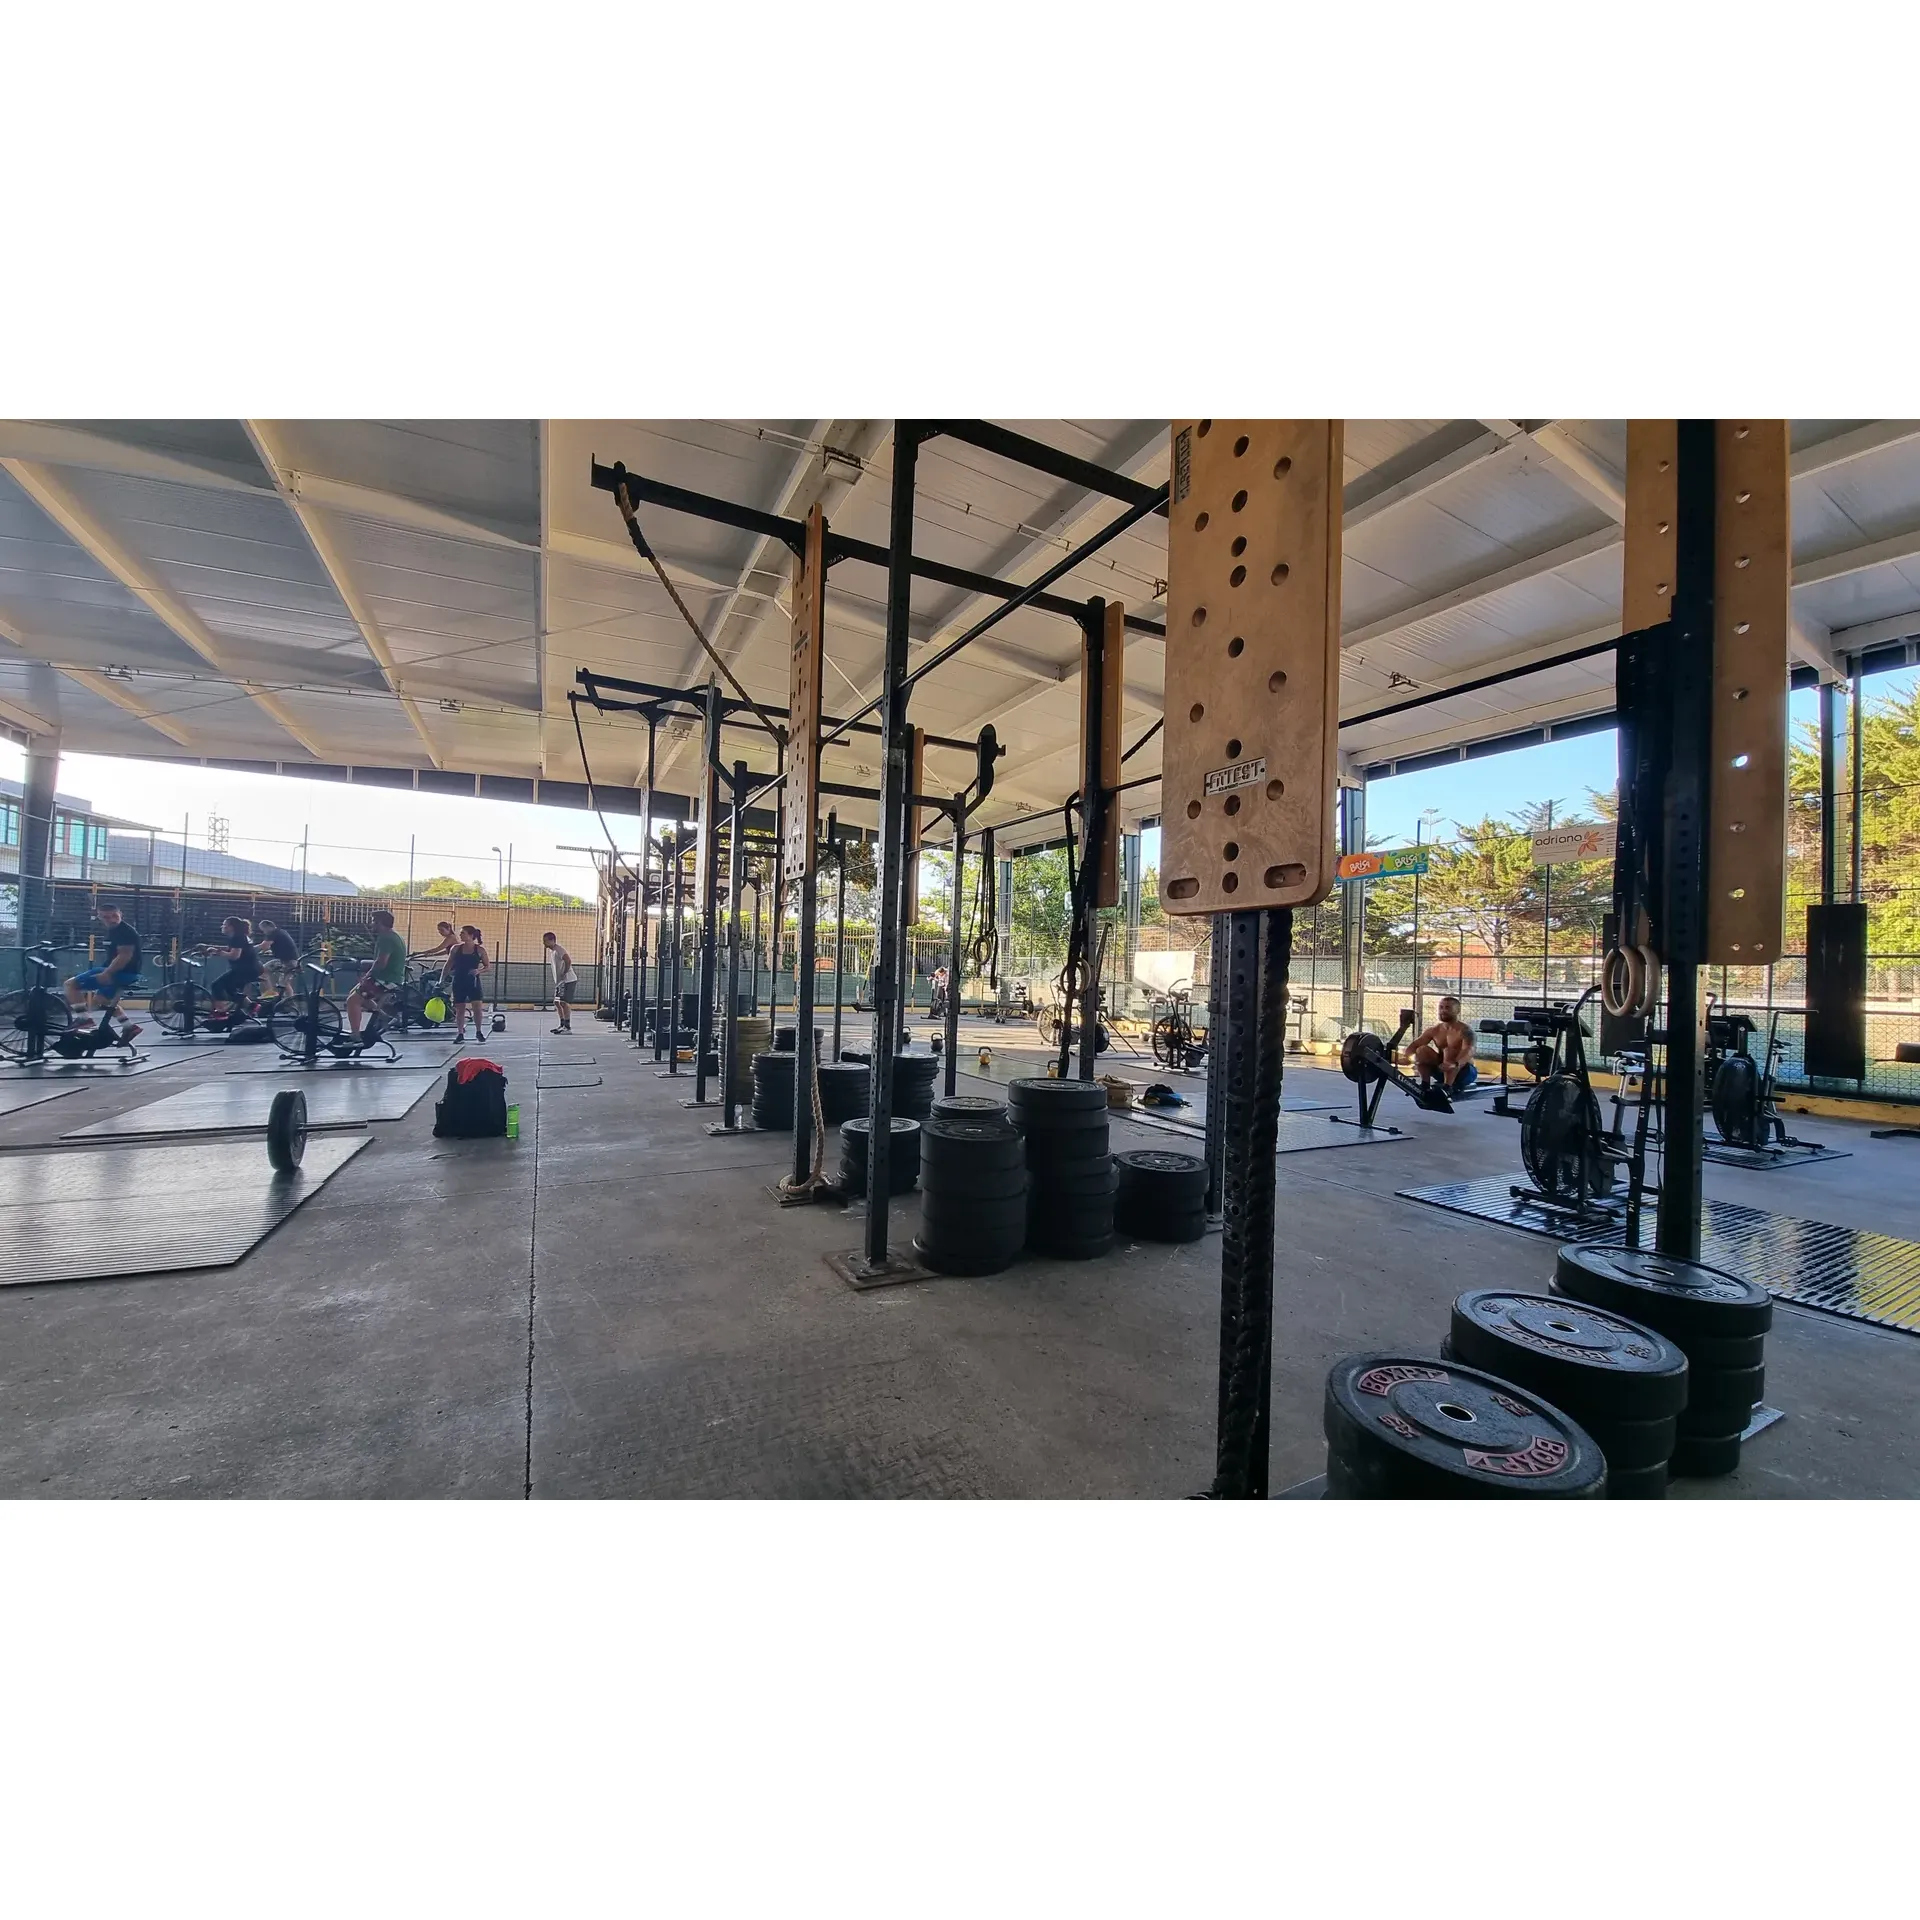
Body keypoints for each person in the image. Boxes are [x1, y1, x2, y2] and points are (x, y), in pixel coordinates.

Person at [66, 903, 144, 1040]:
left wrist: (107, 973)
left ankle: (84, 1019)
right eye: (107, 917)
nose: (112, 919)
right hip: (123, 972)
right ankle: (129, 1027)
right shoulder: (113, 931)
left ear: (121, 914)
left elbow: (124, 956)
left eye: (115, 916)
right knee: (102, 1001)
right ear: (100, 917)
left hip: (120, 973)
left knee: (70, 985)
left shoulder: (125, 932)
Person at [347, 908, 409, 1039]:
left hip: (385, 978)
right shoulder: (394, 936)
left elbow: (381, 962)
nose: (371, 924)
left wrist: (367, 976)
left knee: (352, 1001)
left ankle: (355, 1036)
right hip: (393, 978)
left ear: (380, 922)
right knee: (355, 994)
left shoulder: (385, 938)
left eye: (373, 921)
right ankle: (386, 1018)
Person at [1407, 995, 1478, 1096]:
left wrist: (1455, 1064)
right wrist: (1407, 1057)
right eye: (1441, 1007)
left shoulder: (1465, 1031)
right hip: (1442, 1070)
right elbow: (1415, 1045)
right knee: (1422, 1050)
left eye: (1448, 1008)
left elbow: (1469, 1050)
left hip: (1464, 1072)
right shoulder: (1434, 1030)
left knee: (1449, 1050)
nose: (1443, 1011)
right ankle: (1425, 1084)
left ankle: (1448, 1087)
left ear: (1457, 1011)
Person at [206, 915, 262, 1020]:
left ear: (231, 927)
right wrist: (213, 948)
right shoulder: (239, 936)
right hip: (251, 969)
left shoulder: (237, 937)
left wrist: (218, 952)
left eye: (225, 925)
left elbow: (235, 955)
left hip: (245, 970)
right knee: (230, 989)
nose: (222, 926)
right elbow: (231, 949)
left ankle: (221, 1012)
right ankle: (252, 1006)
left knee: (216, 985)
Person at [448, 924, 488, 1041]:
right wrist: (442, 978)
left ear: (470, 935)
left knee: (477, 1008)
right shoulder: (456, 948)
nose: (460, 935)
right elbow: (448, 964)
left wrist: (478, 971)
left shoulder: (479, 950)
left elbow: (487, 966)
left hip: (473, 982)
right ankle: (460, 1033)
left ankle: (479, 1031)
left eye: (463, 933)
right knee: (460, 1009)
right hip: (459, 981)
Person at [254, 917, 302, 1001]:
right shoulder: (280, 932)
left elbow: (264, 945)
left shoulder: (273, 933)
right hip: (289, 960)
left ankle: (287, 1001)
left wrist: (250, 949)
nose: (264, 932)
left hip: (288, 961)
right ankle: (277, 995)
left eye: (263, 930)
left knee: (283, 983)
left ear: (268, 927)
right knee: (283, 982)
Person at [543, 930, 578, 1033]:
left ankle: (567, 1027)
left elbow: (568, 960)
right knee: (557, 1002)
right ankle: (562, 1024)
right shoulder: (553, 951)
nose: (544, 943)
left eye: (545, 941)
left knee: (563, 1002)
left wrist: (565, 972)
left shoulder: (559, 950)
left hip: (568, 980)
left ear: (552, 940)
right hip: (560, 982)